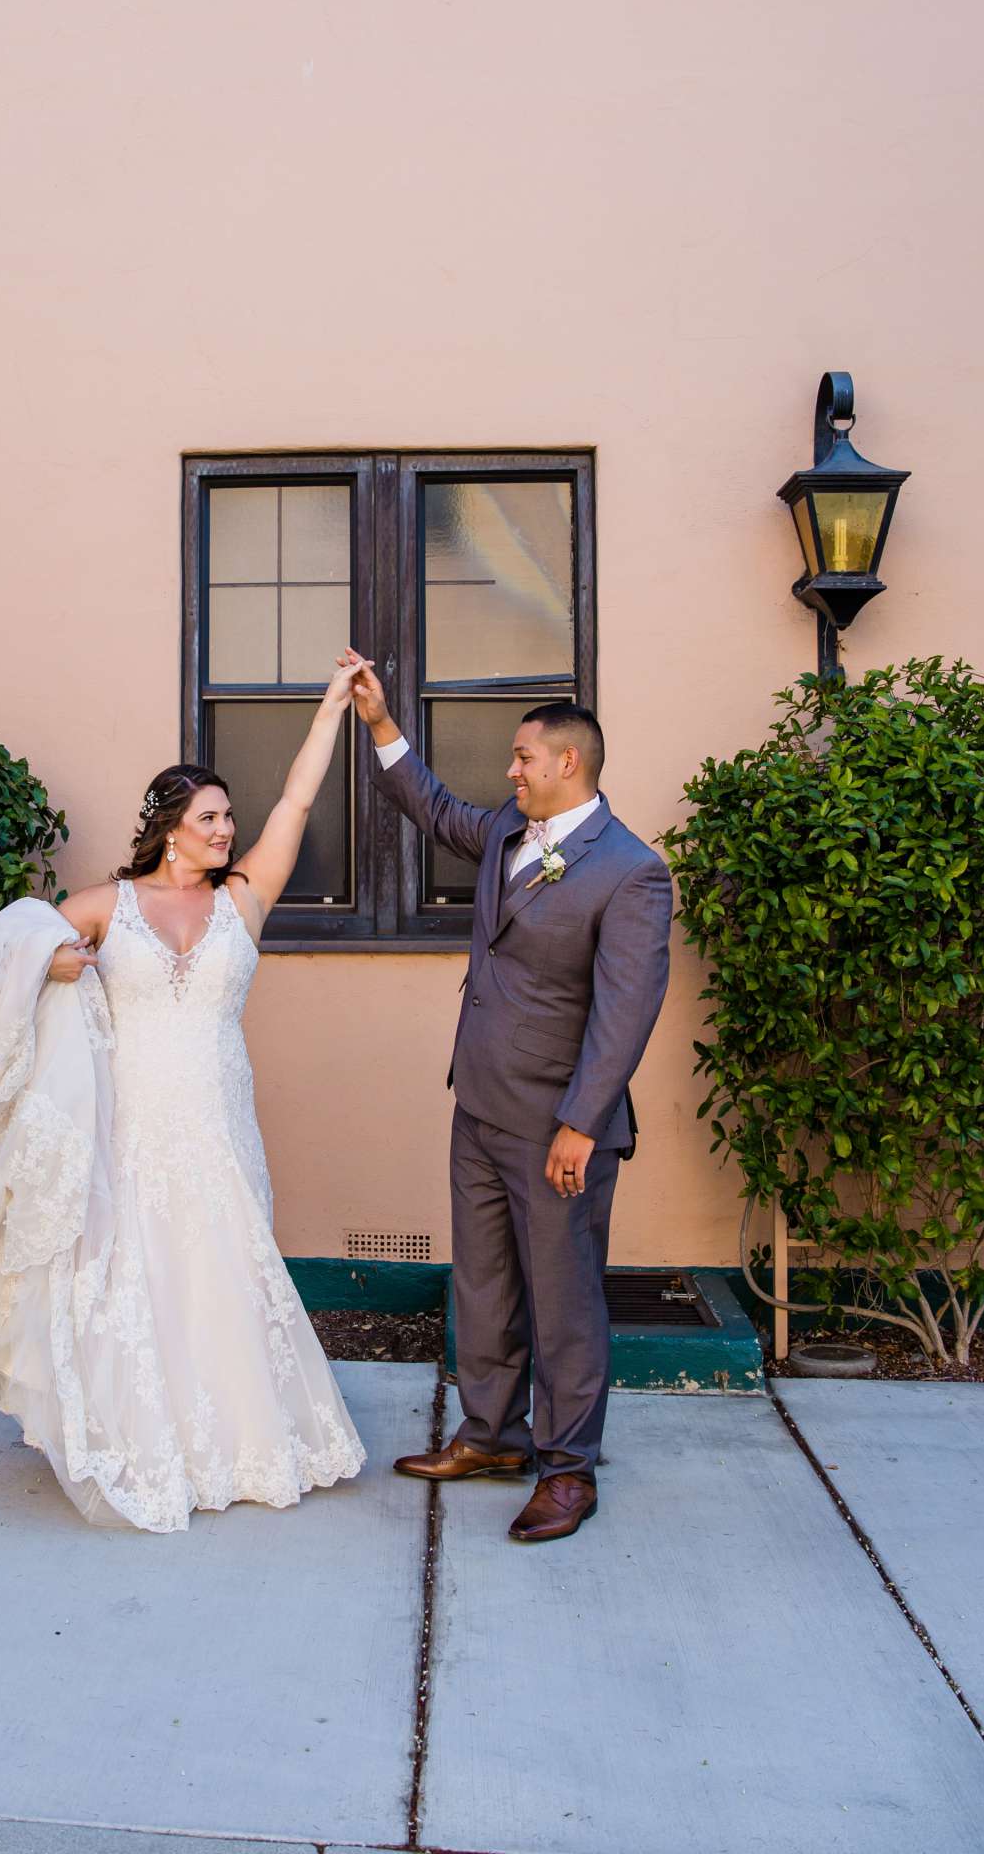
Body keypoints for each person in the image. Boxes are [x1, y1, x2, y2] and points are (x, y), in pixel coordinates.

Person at [0, 656, 367, 1532]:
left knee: (224, 1266)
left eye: (230, 817)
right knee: (137, 1276)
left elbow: (300, 802)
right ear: (170, 829)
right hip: (134, 1121)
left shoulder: (245, 900)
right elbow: (6, 951)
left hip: (218, 1117)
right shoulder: (105, 905)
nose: (228, 830)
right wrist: (53, 962)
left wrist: (332, 709)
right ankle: (140, 1437)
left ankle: (236, 1441)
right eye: (211, 817)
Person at [347, 655, 672, 1543]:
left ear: (568, 762)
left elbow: (625, 1014)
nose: (510, 770)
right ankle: (493, 1436)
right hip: (480, 1107)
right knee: (484, 1284)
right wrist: (381, 724)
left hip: (558, 1126)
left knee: (564, 1304)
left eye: (523, 757)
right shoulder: (503, 834)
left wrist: (580, 1124)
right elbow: (435, 808)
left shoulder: (631, 871)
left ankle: (568, 1470)